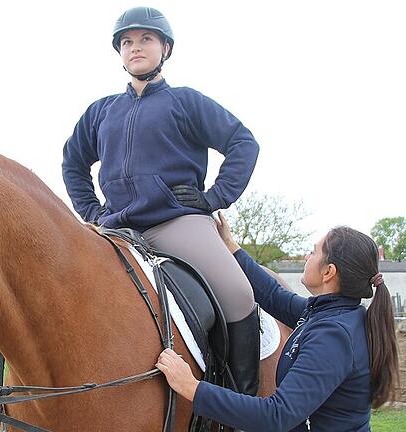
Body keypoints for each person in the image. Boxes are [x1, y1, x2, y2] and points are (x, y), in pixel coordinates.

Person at [62, 6, 261, 395]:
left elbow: (243, 143)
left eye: (145, 39)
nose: (135, 47)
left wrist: (213, 198)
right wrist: (91, 212)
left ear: (165, 48)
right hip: (116, 230)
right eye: (127, 42)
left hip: (177, 224)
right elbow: (73, 165)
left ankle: (241, 404)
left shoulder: (187, 102)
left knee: (239, 296)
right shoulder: (100, 111)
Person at [156, 213, 400, 431]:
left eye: (313, 252)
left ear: (329, 272)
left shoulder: (334, 336)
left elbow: (276, 415)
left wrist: (192, 387)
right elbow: (273, 295)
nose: (307, 256)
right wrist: (231, 247)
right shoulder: (330, 314)